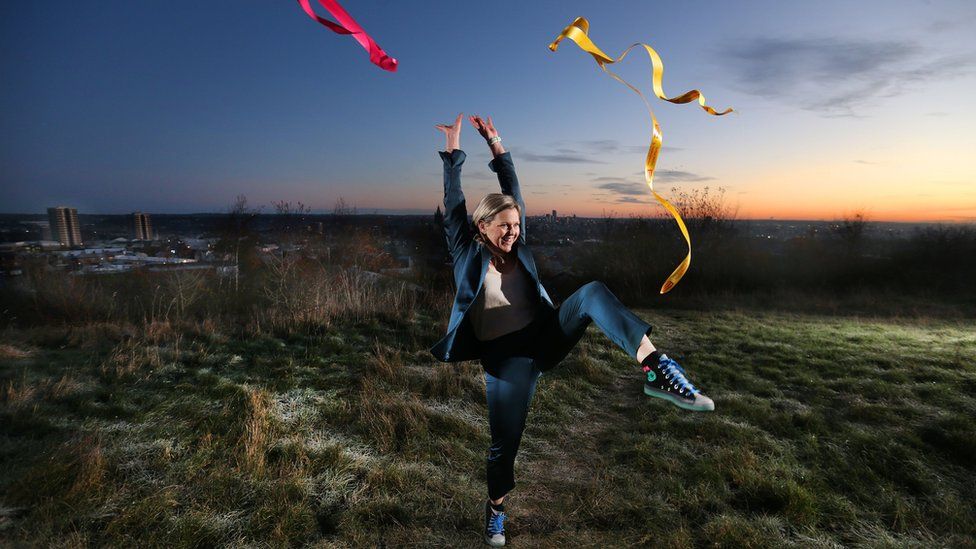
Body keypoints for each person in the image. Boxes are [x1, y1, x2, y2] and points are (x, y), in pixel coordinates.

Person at [431, 113, 714, 547]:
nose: (513, 231)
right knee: (504, 443)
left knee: (592, 292)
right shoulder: (465, 251)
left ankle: (656, 367)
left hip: (544, 335)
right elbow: (453, 202)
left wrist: (497, 143)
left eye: (517, 224)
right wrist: (453, 152)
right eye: (504, 225)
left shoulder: (518, 244)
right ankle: (496, 509)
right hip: (507, 360)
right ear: (482, 226)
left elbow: (513, 185)